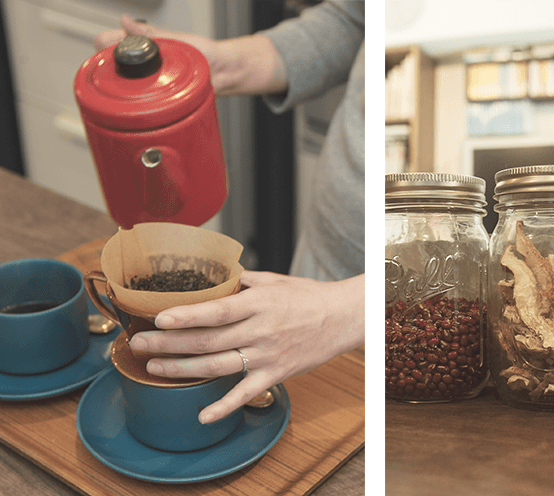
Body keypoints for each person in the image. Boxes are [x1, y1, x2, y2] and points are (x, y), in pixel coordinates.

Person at [94, 1, 364, 425]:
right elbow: (355, 18)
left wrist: (348, 311)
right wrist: (225, 65)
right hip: (320, 268)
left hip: (374, 316)